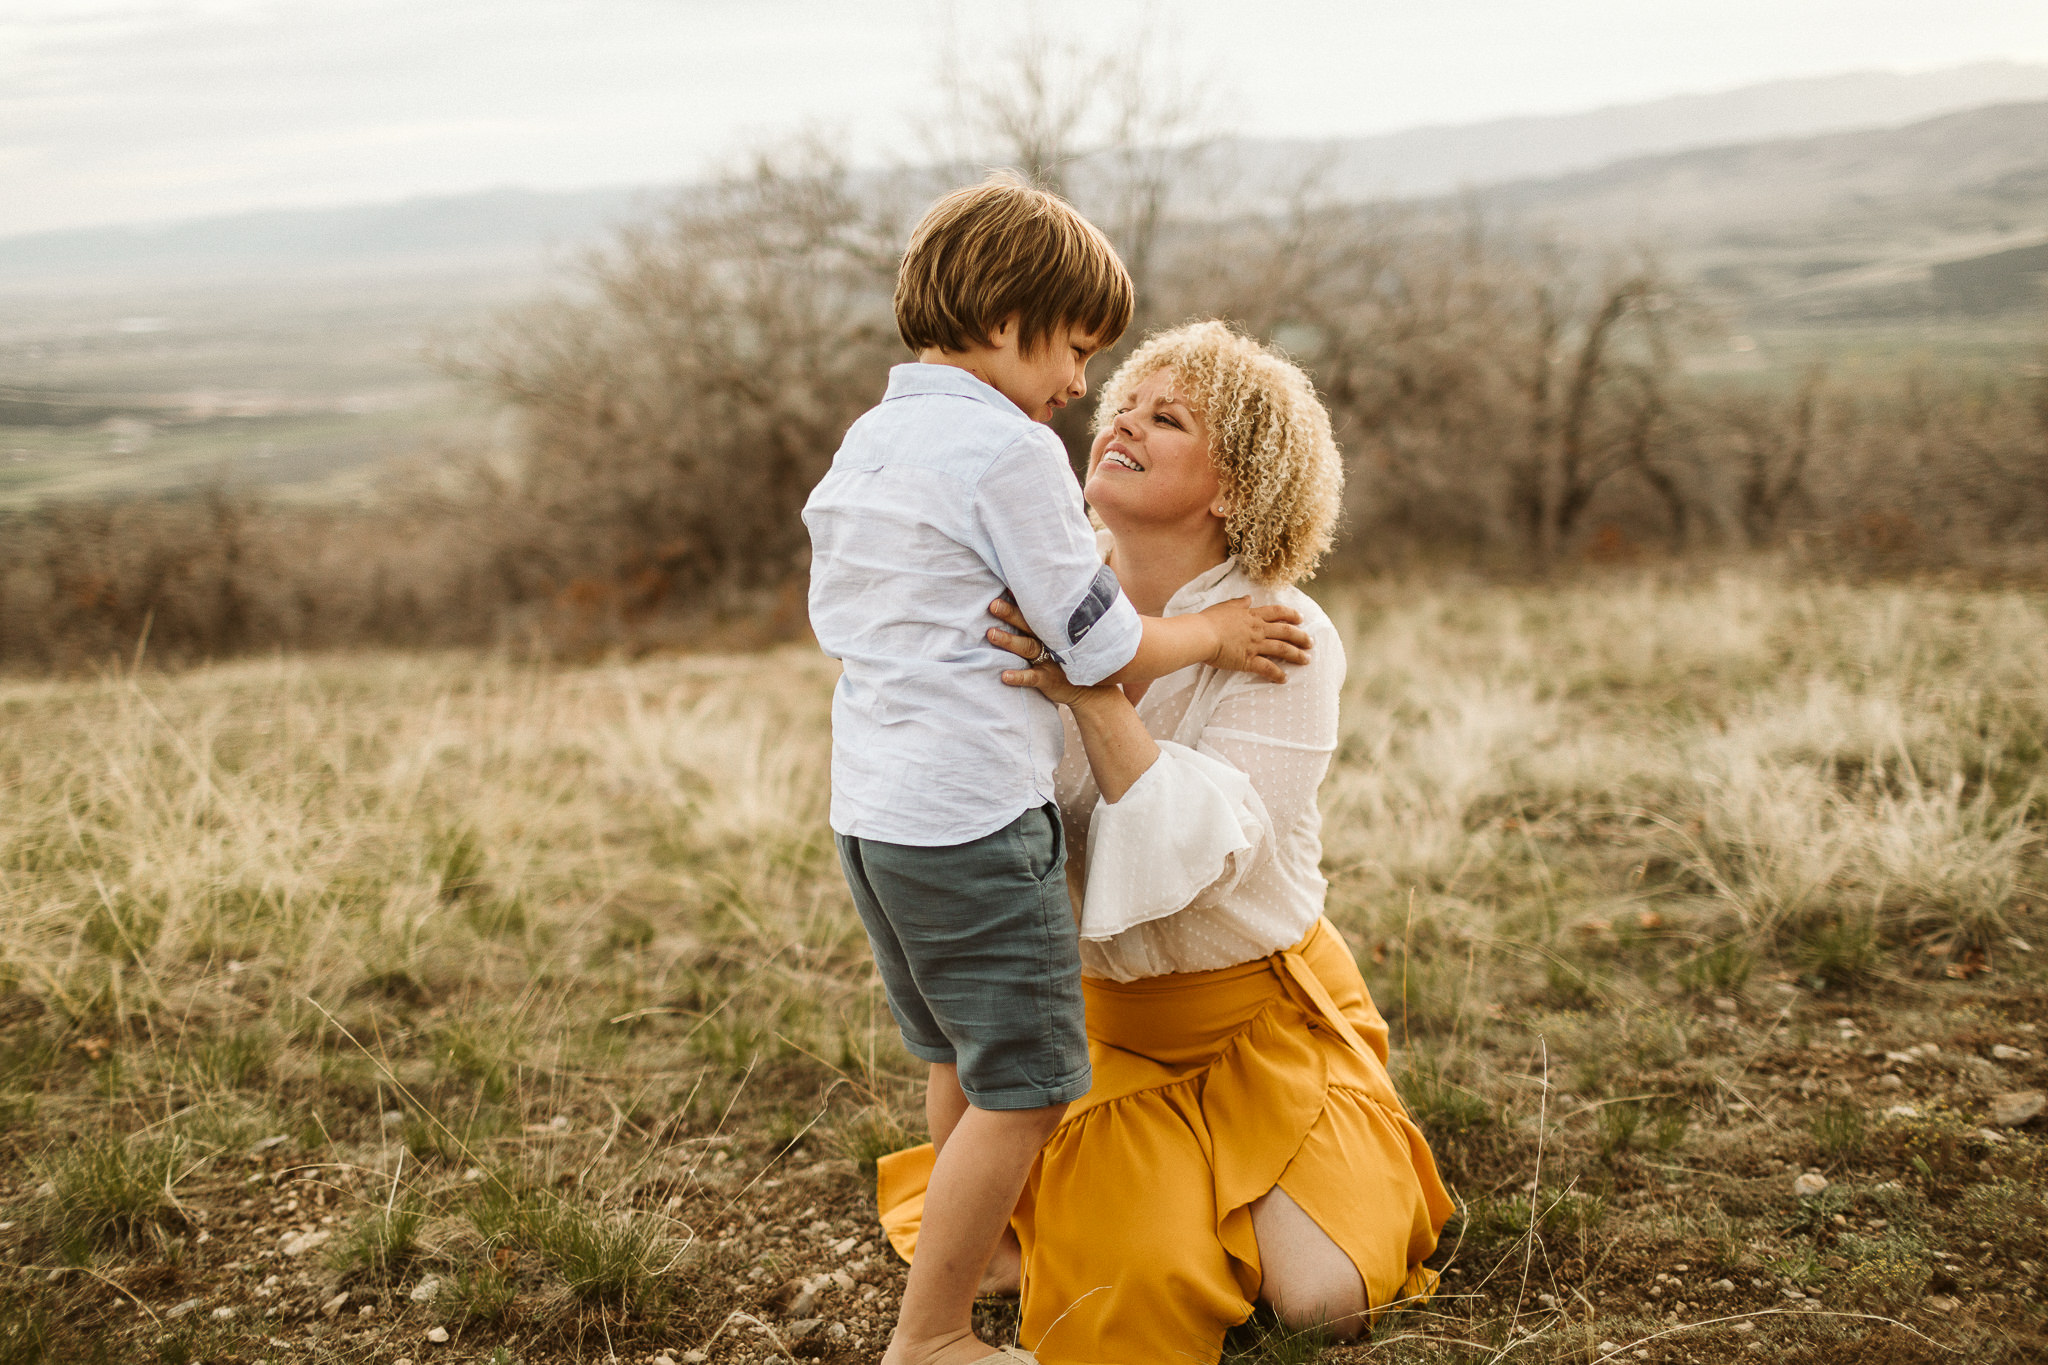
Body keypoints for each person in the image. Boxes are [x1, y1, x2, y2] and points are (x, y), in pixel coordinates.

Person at [802, 181, 1315, 1365]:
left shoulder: (872, 437)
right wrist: (1217, 637)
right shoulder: (1009, 449)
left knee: (954, 1054)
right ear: (1007, 314)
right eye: (1077, 352)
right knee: (1027, 1083)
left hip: (873, 814)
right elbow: (1099, 645)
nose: (1079, 390)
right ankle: (929, 1338)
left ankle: (975, 1251)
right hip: (974, 818)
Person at [874, 320, 1454, 1364]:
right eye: (1124, 404)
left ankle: (1217, 1185)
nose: (1121, 422)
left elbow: (1200, 860)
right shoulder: (1014, 596)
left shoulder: (1281, 634)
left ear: (1234, 489)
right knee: (1118, 1306)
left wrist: (1090, 690)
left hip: (1259, 1020)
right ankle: (1057, 1206)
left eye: (1168, 417)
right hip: (1102, 1034)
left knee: (1327, 1301)